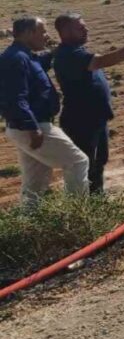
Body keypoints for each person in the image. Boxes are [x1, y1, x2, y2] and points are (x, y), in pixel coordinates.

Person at [53, 13, 124, 194]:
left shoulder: (77, 51)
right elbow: (103, 60)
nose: (86, 29)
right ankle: (81, 211)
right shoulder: (70, 54)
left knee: (97, 164)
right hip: (81, 122)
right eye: (80, 28)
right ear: (66, 32)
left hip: (94, 120)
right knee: (84, 167)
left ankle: (96, 204)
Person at [0, 16, 88, 204]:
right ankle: (78, 215)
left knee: (35, 182)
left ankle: (29, 226)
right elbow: (15, 98)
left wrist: (58, 50)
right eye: (43, 32)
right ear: (29, 33)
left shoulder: (24, 56)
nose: (46, 36)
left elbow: (41, 63)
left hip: (27, 126)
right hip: (33, 126)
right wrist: (34, 129)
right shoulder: (15, 59)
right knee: (77, 162)